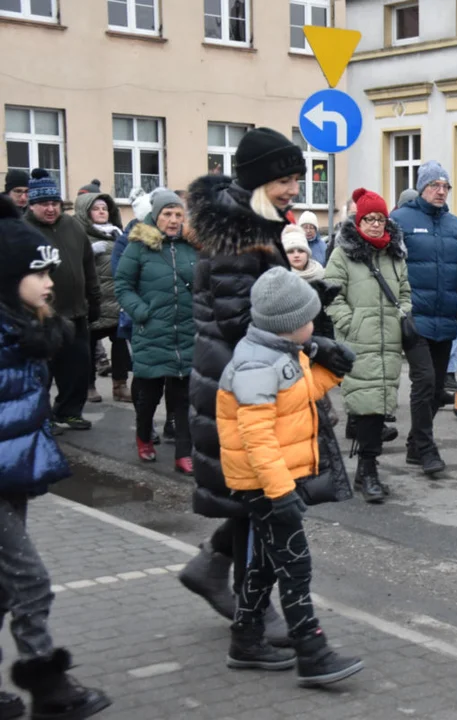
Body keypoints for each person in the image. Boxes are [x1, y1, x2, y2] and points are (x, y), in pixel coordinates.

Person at [179, 127, 310, 642]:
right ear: (258, 180)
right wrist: (306, 330)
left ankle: (211, 568)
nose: (293, 190)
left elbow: (261, 298)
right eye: (284, 179)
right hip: (239, 384)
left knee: (253, 496)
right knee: (261, 498)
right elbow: (240, 318)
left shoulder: (257, 220)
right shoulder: (239, 229)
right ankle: (253, 613)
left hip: (244, 377)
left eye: (296, 179)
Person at [217, 266, 364, 687]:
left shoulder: (284, 354)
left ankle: (245, 640)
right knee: (295, 565)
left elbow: (298, 399)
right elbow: (257, 435)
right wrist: (280, 492)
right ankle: (312, 652)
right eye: (308, 319)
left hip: (275, 478)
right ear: (288, 325)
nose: (314, 325)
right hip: (266, 482)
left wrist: (333, 372)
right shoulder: (255, 364)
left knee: (264, 562)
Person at [0, 194, 112, 719]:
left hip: (10, 475)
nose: (49, 282)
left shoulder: (23, 333)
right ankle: (50, 690)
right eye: (37, 272)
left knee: (4, 586)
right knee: (29, 581)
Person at [391, 161, 457, 476]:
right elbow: (390, 270)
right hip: (413, 317)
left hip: (445, 317)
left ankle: (414, 446)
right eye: (435, 185)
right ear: (422, 187)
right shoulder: (400, 220)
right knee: (426, 381)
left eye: (446, 186)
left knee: (434, 391)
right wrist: (398, 309)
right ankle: (427, 448)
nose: (441, 191)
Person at [325, 188, 410, 503]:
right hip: (358, 342)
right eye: (369, 219)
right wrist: (350, 324)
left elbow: (404, 292)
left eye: (380, 219)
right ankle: (369, 470)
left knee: (380, 407)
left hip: (389, 341)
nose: (375, 225)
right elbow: (331, 296)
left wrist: (404, 315)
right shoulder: (342, 253)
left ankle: (365, 470)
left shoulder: (394, 254)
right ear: (358, 221)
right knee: (367, 408)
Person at [114, 190, 197, 474]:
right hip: (151, 331)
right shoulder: (138, 246)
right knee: (149, 394)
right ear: (156, 216)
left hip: (186, 331)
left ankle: (184, 453)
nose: (173, 221)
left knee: (184, 396)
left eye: (178, 215)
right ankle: (144, 436)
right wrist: (141, 313)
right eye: (167, 214)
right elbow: (122, 286)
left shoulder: (192, 246)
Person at [23, 169, 100, 432]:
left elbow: (88, 264)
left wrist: (94, 297)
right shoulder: (23, 231)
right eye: (44, 204)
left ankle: (68, 412)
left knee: (78, 367)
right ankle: (40, 417)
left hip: (76, 311)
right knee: (41, 372)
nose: (50, 208)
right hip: (40, 316)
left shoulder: (72, 226)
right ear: (32, 204)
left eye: (54, 203)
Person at [74, 189, 132, 404]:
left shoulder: (118, 232)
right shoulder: (80, 235)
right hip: (94, 301)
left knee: (119, 343)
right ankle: (89, 386)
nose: (101, 212)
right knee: (89, 346)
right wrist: (87, 252)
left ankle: (120, 385)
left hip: (116, 299)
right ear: (86, 213)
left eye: (104, 209)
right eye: (96, 209)